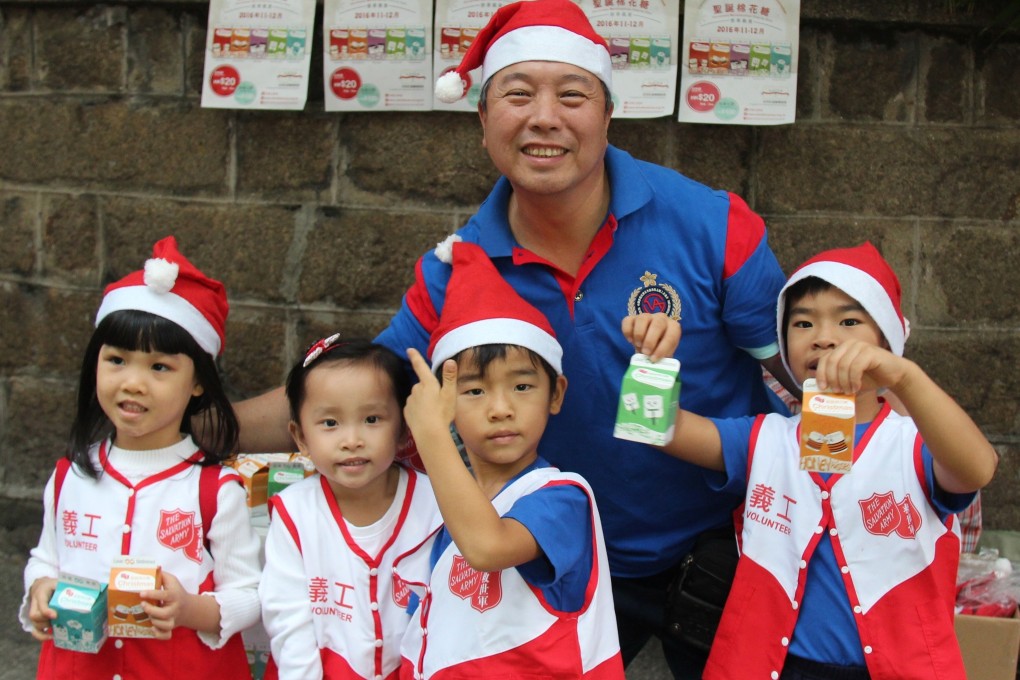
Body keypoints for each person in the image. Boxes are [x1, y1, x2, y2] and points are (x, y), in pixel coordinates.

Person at [229, 0, 793, 674]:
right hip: (539, 564)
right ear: (483, 120)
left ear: (608, 113)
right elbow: (362, 390)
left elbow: (805, 382)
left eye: (571, 95)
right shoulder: (454, 270)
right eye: (518, 95)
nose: (544, 118)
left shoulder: (714, 228)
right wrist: (205, 426)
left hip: (715, 563)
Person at [652, 242, 998, 679]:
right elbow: (659, 430)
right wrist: (652, 363)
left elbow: (977, 469)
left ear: (888, 341)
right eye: (802, 323)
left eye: (849, 320)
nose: (823, 336)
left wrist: (905, 377)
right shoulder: (765, 439)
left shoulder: (915, 442)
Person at [22, 236, 262, 678]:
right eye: (116, 360)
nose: (133, 383)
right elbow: (46, 558)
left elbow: (249, 594)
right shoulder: (70, 475)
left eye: (159, 367)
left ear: (198, 383)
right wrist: (40, 588)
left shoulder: (214, 490)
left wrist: (190, 610)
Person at [395, 239, 625, 678]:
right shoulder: (442, 495)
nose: (500, 408)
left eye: (522, 387)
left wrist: (432, 436)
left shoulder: (561, 498)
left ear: (555, 394)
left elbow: (488, 546)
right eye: (475, 390)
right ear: (445, 402)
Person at [259, 335, 441, 680]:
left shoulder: (436, 503)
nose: (352, 439)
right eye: (330, 423)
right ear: (300, 437)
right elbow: (288, 619)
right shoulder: (295, 513)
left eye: (372, 419)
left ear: (404, 429)